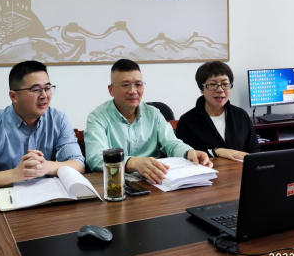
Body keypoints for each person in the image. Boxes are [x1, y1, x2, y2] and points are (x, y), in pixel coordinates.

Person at [0, 61, 84, 191]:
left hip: (48, 197)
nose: (44, 95)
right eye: (36, 90)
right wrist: (15, 174)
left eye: (47, 88)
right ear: (13, 96)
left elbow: (78, 164)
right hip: (5, 199)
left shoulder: (58, 120)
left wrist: (46, 167)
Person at [84, 59, 213, 185]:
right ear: (111, 90)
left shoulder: (154, 114)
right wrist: (133, 163)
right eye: (125, 85)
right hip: (114, 185)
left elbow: (171, 143)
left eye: (138, 84)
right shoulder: (97, 118)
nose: (133, 91)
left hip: (153, 182)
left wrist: (189, 152)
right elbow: (95, 158)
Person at [176, 61, 260, 162]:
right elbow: (184, 157)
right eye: (212, 84)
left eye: (225, 84)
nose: (220, 90)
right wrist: (215, 152)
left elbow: (254, 152)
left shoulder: (241, 115)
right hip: (206, 172)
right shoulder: (187, 121)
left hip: (240, 171)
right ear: (201, 89)